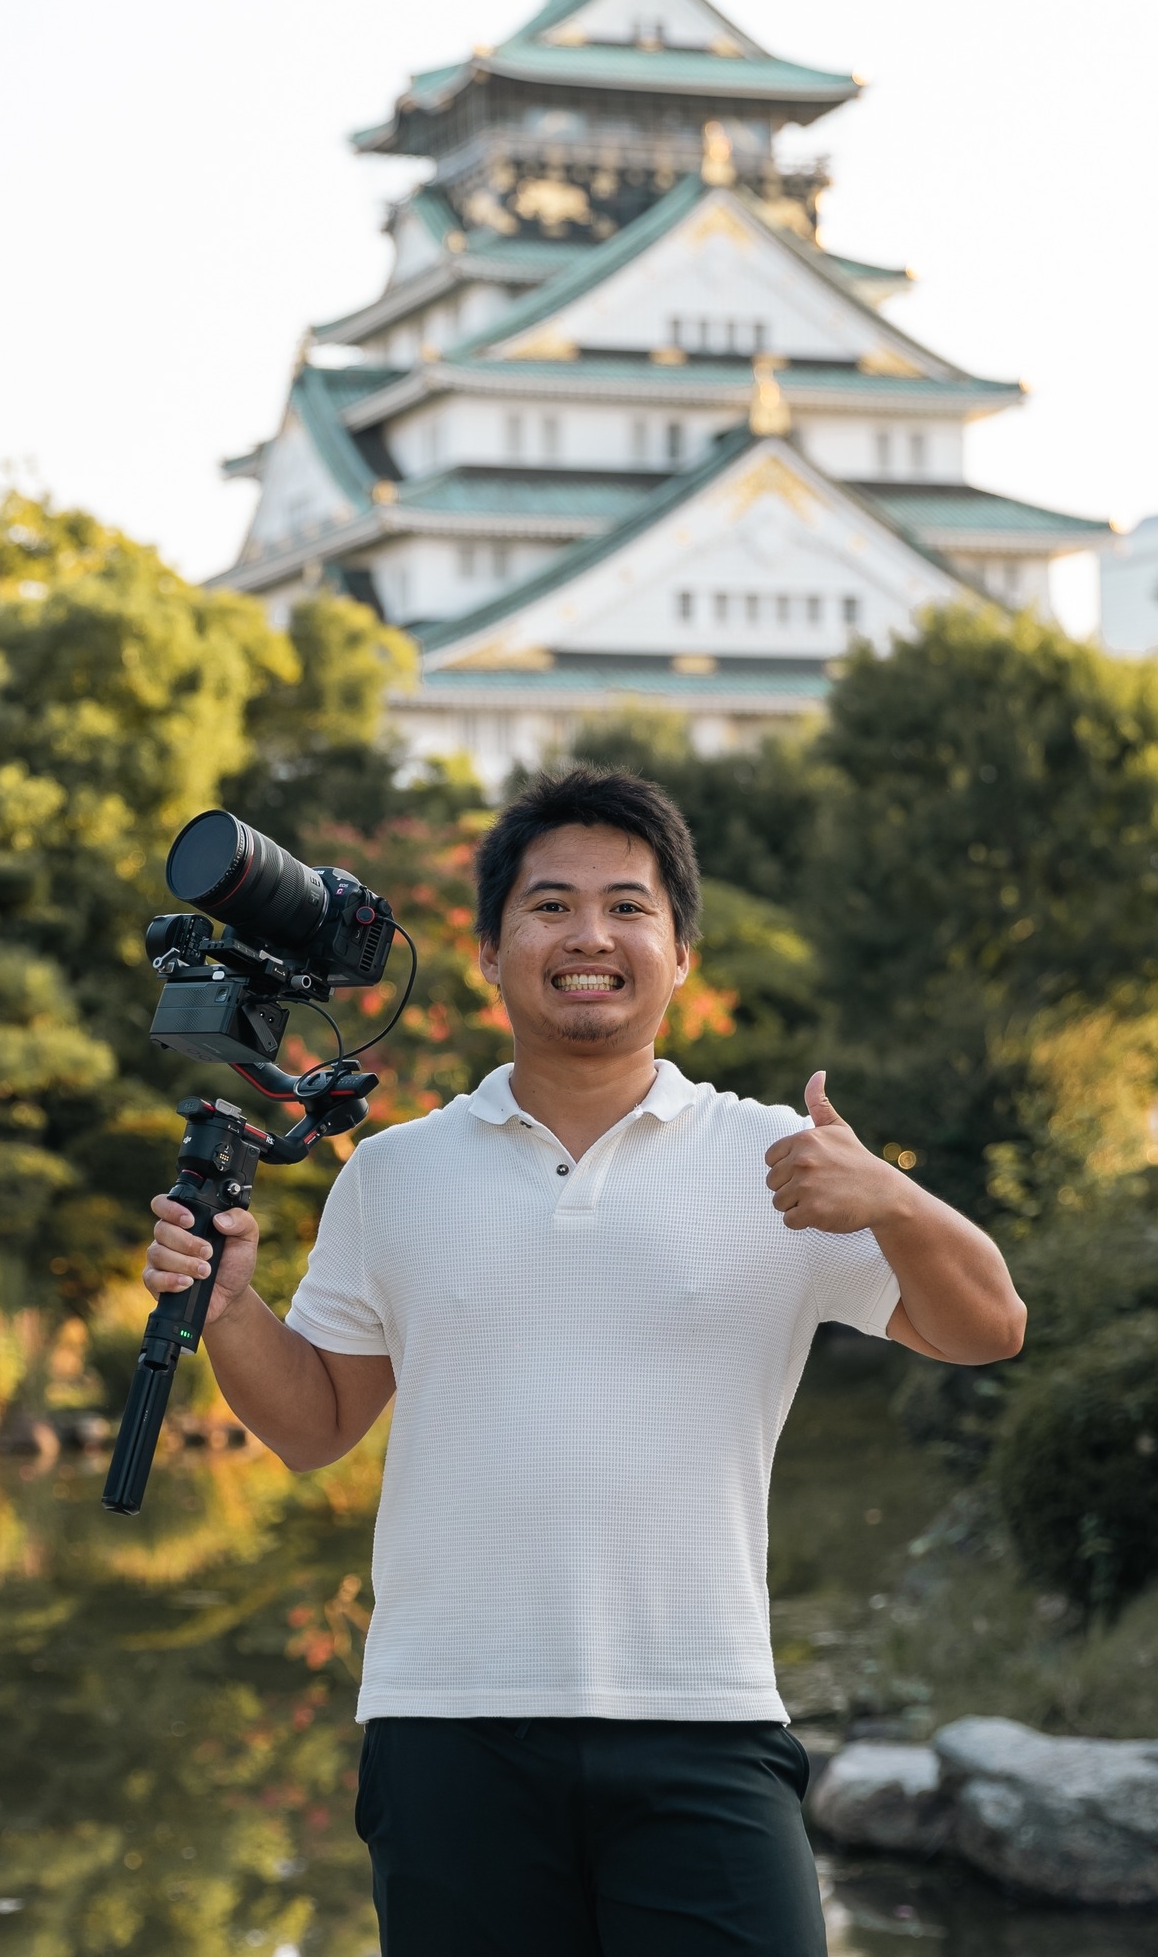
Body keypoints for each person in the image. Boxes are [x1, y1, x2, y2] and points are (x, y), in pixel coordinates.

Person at [141, 766, 1024, 1956]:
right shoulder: (393, 1173)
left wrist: (893, 1200)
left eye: (628, 904)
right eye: (549, 906)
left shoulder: (780, 1159)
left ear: (679, 952)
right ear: (492, 949)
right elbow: (314, 1425)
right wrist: (233, 1303)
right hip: (449, 1720)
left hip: (700, 1719)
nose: (589, 935)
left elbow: (985, 1327)